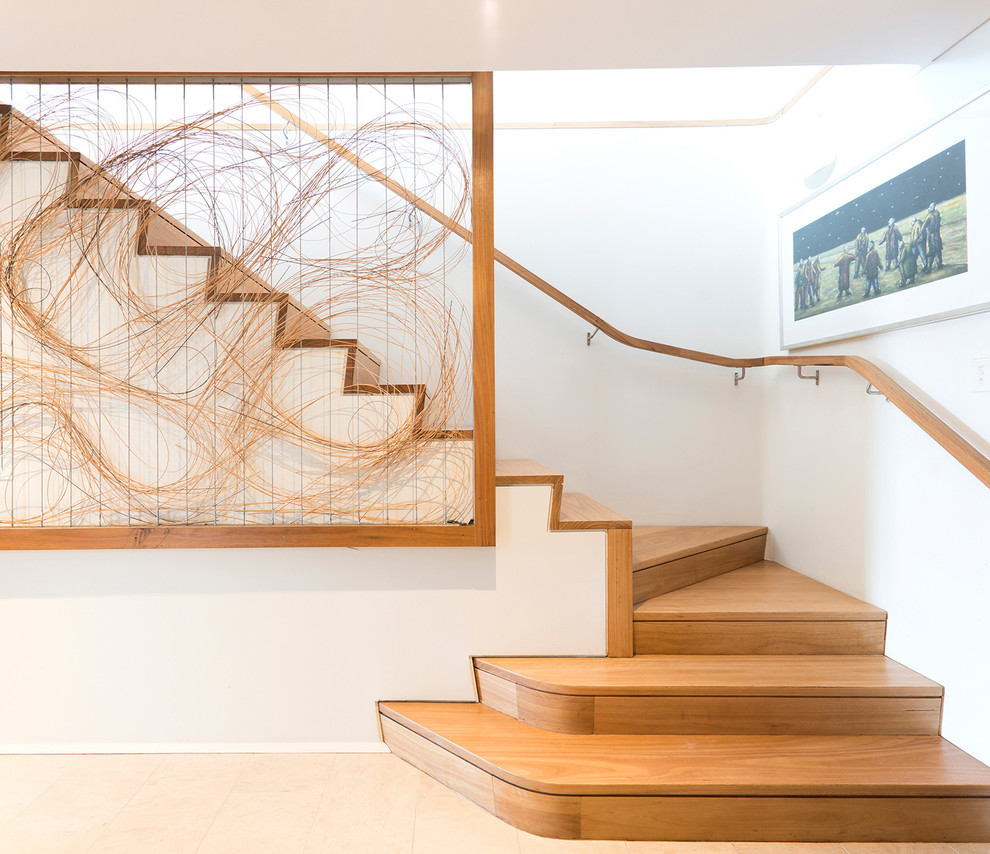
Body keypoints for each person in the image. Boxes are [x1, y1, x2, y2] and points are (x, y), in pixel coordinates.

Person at [923, 202, 943, 271]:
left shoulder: (931, 215)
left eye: (931, 207)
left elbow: (924, 225)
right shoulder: (936, 213)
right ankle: (937, 264)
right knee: (936, 250)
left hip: (932, 235)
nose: (930, 208)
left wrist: (924, 230)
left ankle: (931, 266)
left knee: (932, 251)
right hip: (935, 235)